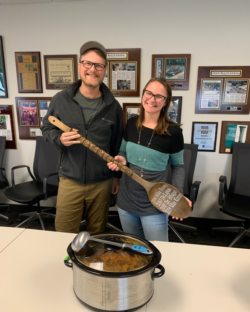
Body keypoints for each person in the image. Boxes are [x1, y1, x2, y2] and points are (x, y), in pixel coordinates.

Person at [41, 41, 124, 234]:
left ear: (105, 70)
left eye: (99, 65)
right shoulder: (60, 100)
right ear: (80, 66)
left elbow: (118, 143)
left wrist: (116, 177)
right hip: (70, 179)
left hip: (102, 181)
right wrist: (59, 139)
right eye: (88, 63)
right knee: (63, 233)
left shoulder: (113, 106)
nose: (92, 70)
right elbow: (46, 128)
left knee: (97, 233)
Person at [107, 77, 191, 241]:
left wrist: (177, 195)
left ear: (166, 102)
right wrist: (122, 160)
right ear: (143, 94)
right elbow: (122, 151)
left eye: (159, 96)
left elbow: (178, 166)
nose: (152, 99)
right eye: (149, 93)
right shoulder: (131, 124)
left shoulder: (173, 132)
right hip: (126, 200)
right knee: (133, 248)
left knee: (158, 251)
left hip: (155, 204)